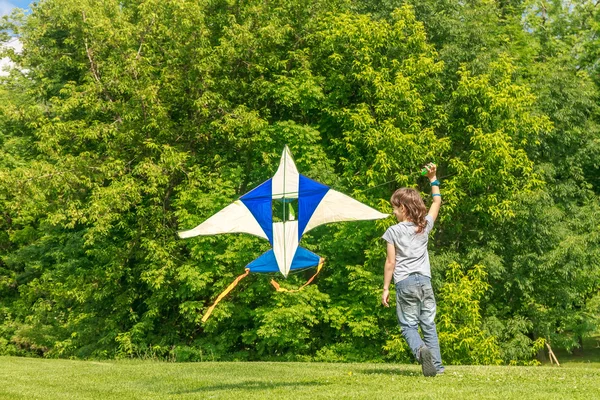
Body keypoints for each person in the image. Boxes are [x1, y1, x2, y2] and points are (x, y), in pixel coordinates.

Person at [381, 162, 444, 377]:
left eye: (395, 207)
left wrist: (385, 288)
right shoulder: (424, 225)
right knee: (429, 324)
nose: (393, 211)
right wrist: (432, 178)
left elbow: (391, 262)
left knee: (408, 325)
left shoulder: (392, 231)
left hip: (405, 283)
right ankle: (438, 368)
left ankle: (420, 350)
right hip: (425, 282)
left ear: (403, 209)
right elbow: (437, 201)